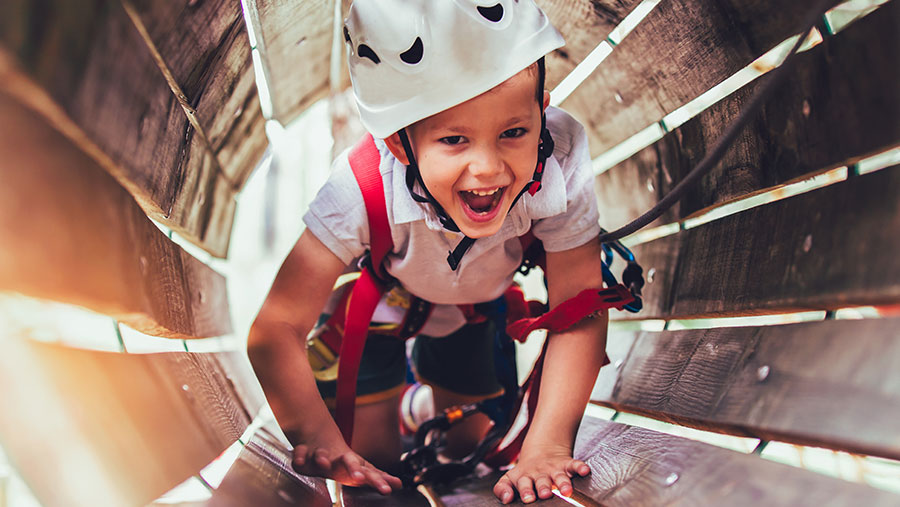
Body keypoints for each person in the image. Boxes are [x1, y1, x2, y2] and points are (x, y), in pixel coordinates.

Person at [247, 0, 609, 503]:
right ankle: (395, 402)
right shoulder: (360, 187)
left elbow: (578, 308)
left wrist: (546, 445)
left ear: (541, 111)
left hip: (473, 309)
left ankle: (415, 403)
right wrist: (318, 436)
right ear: (400, 145)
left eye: (514, 132)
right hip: (380, 308)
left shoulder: (560, 157)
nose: (487, 168)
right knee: (377, 467)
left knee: (466, 443)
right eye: (454, 139)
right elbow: (275, 327)